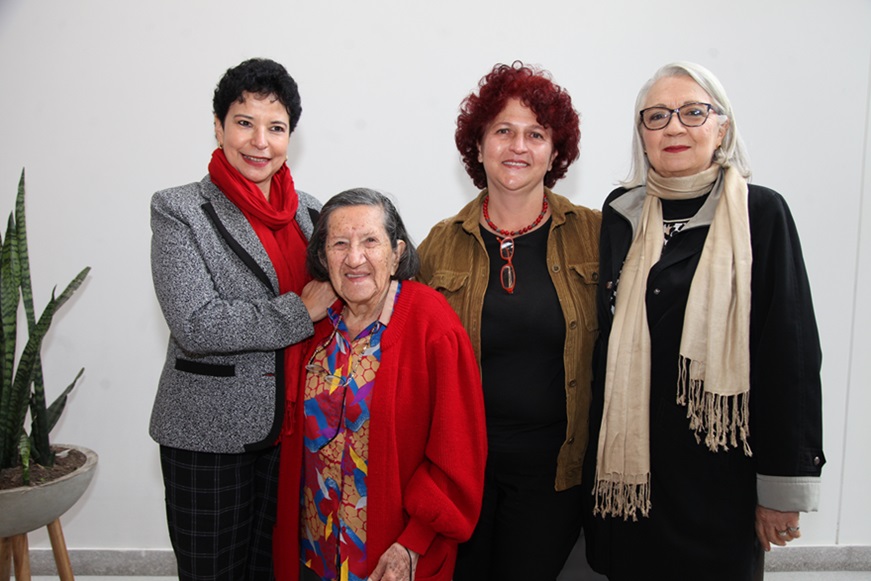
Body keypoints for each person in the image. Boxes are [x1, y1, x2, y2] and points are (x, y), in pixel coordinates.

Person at [581, 61, 825, 580]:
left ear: (722, 127)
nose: (674, 127)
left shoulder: (761, 215)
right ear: (641, 134)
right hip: (630, 484)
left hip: (719, 482)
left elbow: (791, 354)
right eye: (657, 116)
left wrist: (783, 487)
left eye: (694, 112)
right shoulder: (621, 216)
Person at [149, 58, 336, 580]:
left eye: (275, 128)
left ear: (290, 137)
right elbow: (197, 324)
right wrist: (300, 310)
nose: (260, 141)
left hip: (295, 433)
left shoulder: (313, 213)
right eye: (244, 122)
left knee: (274, 571)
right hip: (210, 437)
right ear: (218, 125)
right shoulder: (180, 209)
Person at [417, 62, 601, 580]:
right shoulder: (439, 244)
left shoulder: (596, 235)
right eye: (503, 130)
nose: (518, 146)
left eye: (535, 134)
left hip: (555, 472)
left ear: (554, 151)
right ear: (478, 146)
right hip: (462, 468)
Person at [273, 188, 488, 581]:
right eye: (340, 244)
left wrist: (412, 544)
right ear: (323, 257)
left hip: (393, 557)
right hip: (313, 552)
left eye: (370, 241)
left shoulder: (433, 326)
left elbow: (458, 453)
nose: (355, 258)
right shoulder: (315, 323)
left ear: (397, 252)